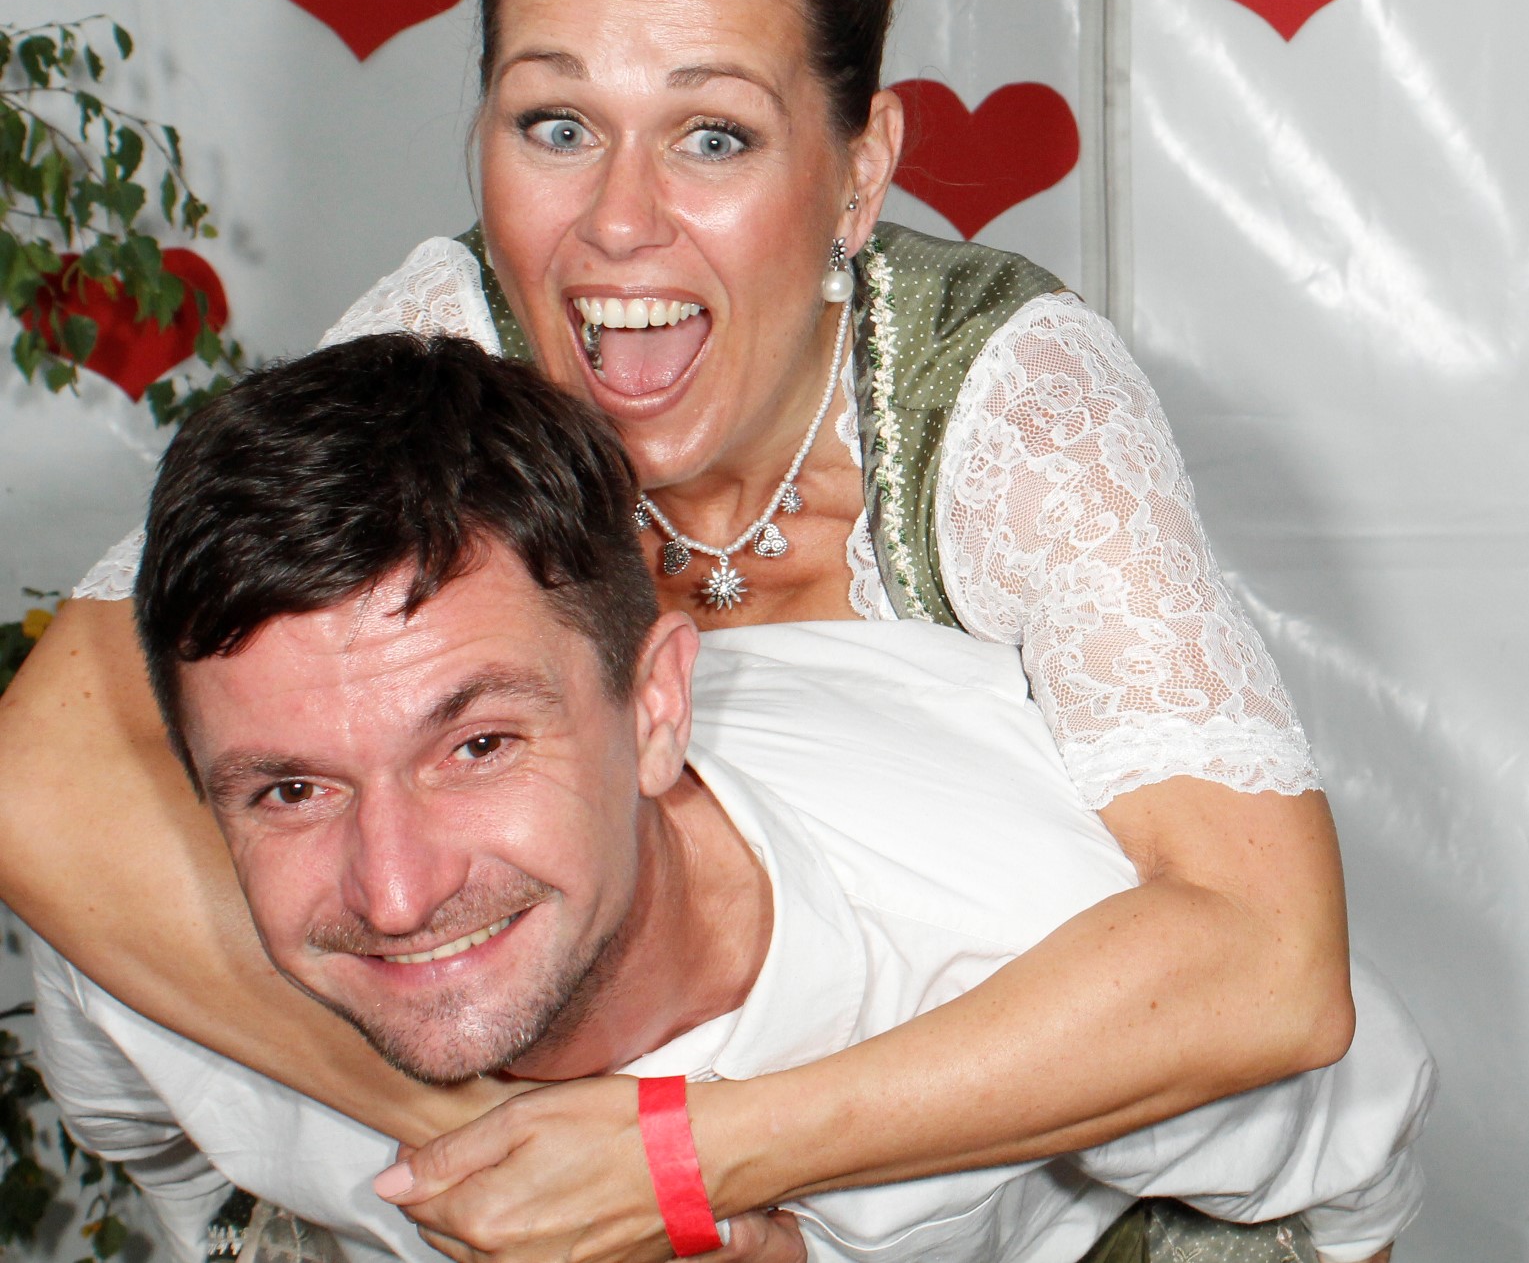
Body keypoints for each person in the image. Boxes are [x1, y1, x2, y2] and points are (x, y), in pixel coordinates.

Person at [0, 0, 1410, 1263]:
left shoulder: (1003, 397)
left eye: (714, 137)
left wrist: (685, 1156)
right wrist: (496, 1149)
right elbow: (42, 772)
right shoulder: (451, 331)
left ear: (861, 167)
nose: (619, 222)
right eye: (556, 124)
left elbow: (1269, 966)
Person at [34, 335, 1429, 1263]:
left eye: (478, 747)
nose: (394, 892)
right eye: (289, 788)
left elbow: (1347, 1160)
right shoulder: (140, 966)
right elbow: (175, 1168)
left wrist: (701, 1173)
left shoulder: (1025, 926)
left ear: (654, 710)